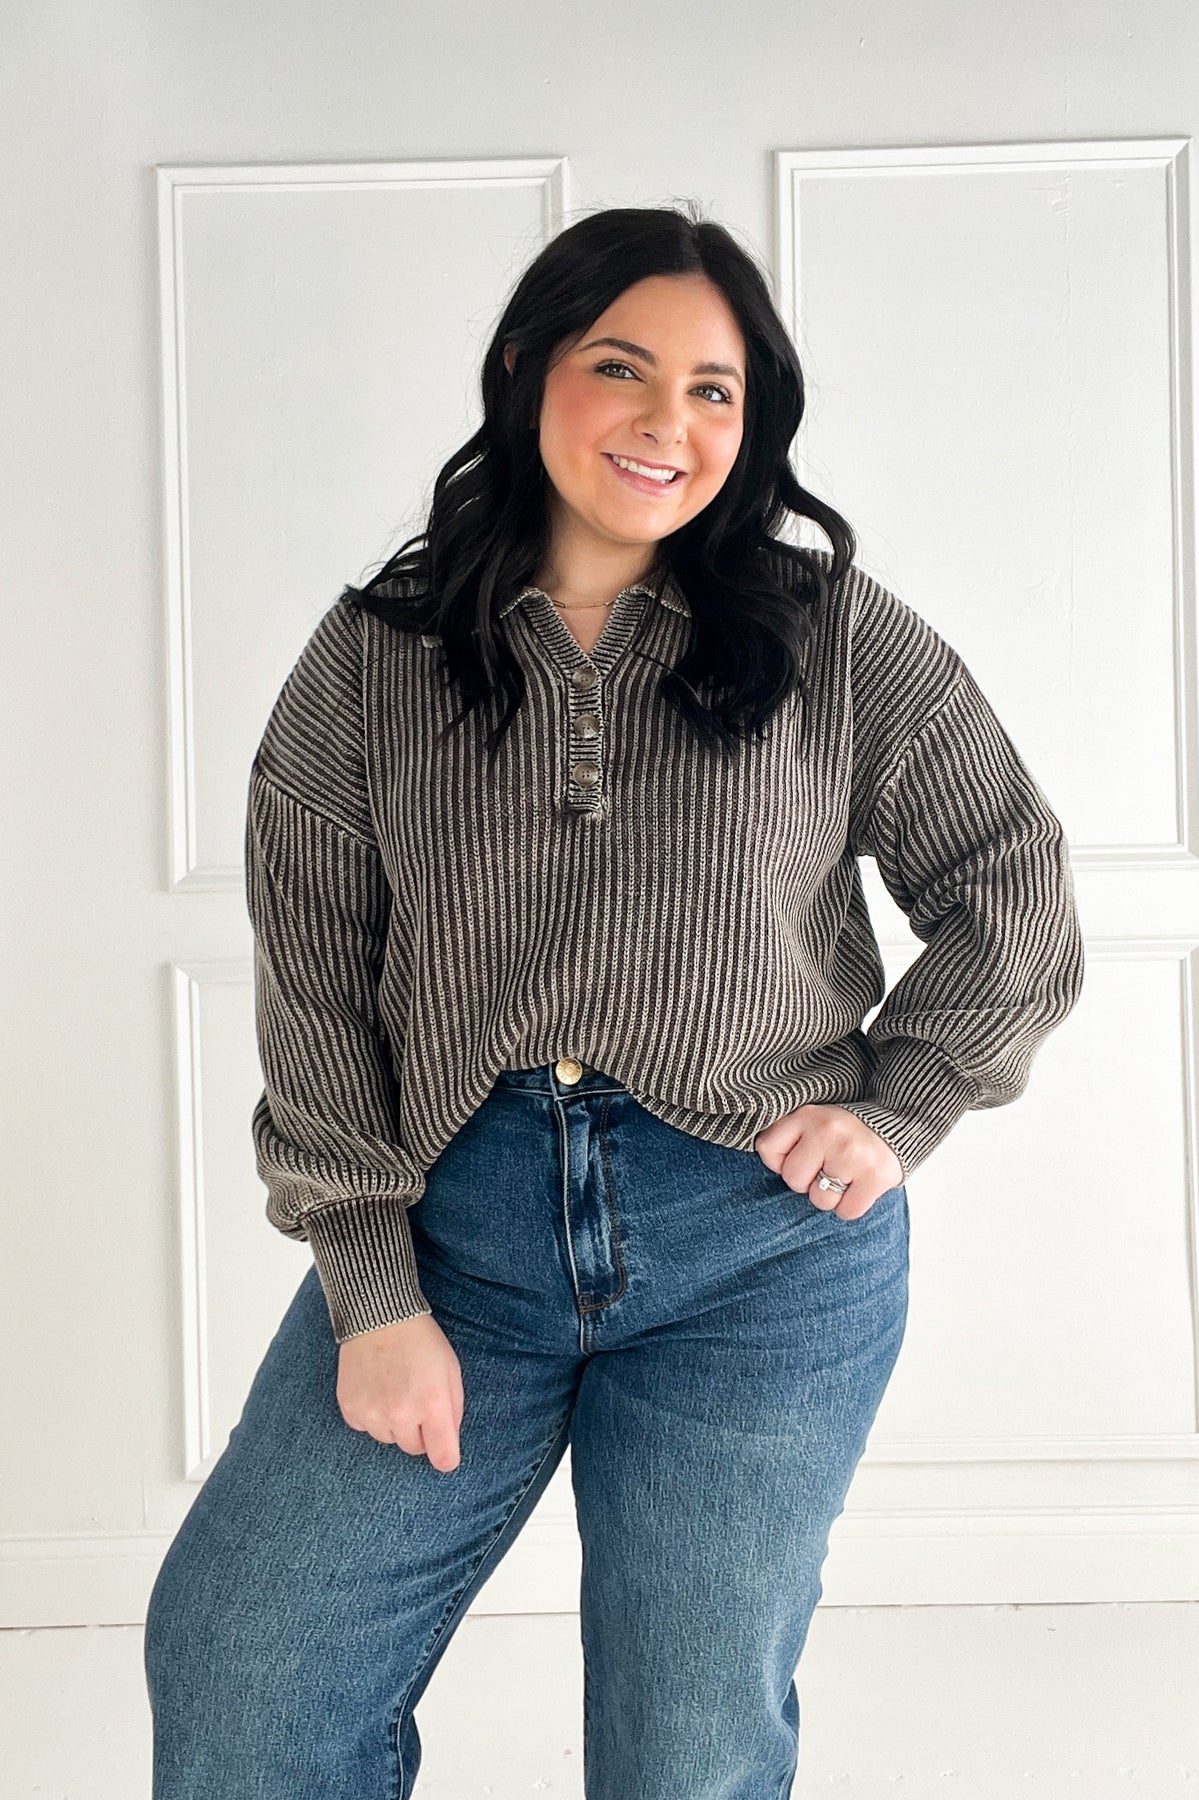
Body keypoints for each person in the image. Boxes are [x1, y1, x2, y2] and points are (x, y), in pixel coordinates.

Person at [143, 202, 1085, 1798]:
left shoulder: (832, 634)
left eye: (715, 390)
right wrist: (372, 1292)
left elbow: (1011, 881)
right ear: (529, 367)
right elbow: (315, 985)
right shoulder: (375, 657)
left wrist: (902, 1103)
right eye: (623, 368)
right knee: (246, 1672)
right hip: (454, 1243)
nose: (668, 423)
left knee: (686, 1751)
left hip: (761, 1256)